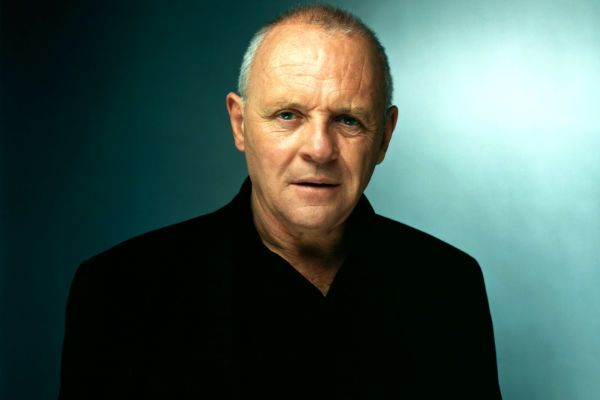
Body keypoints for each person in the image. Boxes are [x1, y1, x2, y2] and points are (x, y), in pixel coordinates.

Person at [59, 4, 502, 399]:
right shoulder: (121, 291)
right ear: (240, 124)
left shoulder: (448, 286)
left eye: (348, 120)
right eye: (288, 115)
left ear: (384, 137)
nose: (319, 149)